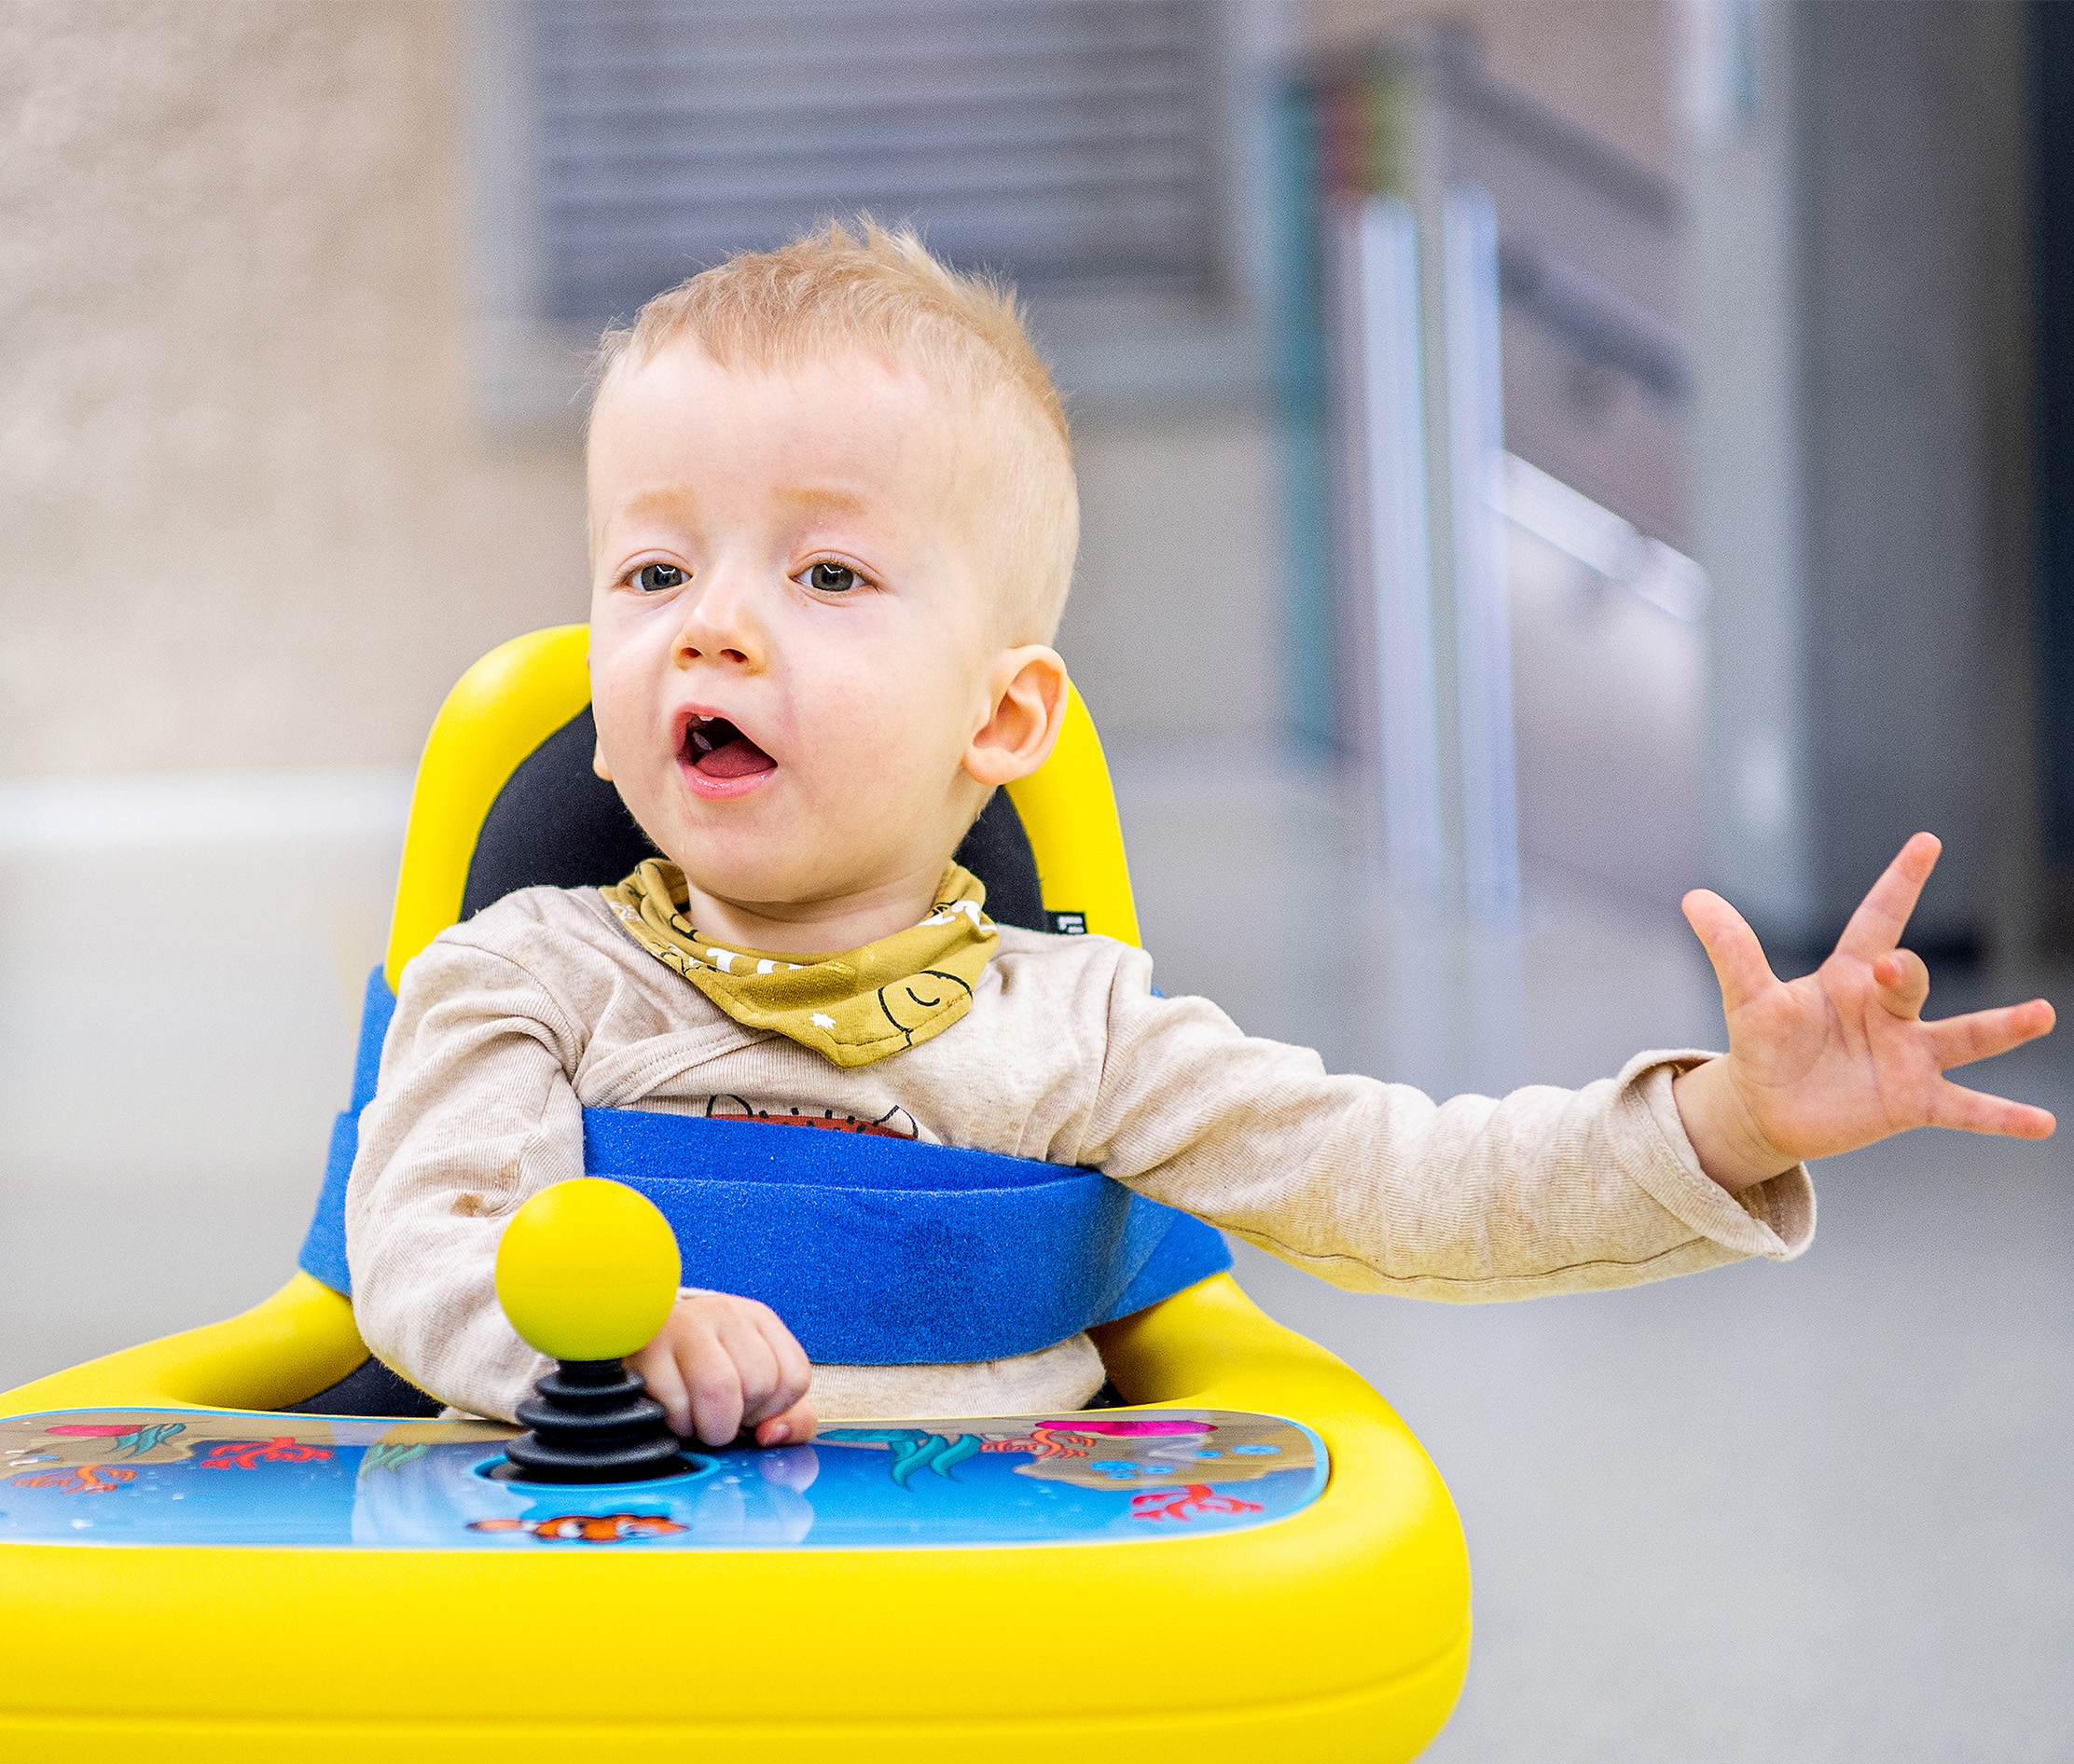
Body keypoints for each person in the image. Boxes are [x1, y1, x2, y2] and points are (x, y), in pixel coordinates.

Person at [344, 220, 2055, 1450]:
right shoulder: (525, 980)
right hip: (602, 1630)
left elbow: (1410, 1186)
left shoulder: (1079, 1039)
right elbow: (422, 1238)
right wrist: (594, 1330)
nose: (709, 626)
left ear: (1004, 720)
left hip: (998, 1659)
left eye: (827, 573)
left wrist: (1734, 1116)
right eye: (654, 572)